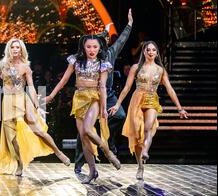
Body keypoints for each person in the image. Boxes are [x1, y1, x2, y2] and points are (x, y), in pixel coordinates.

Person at [0, 38, 70, 177]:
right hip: (7, 101)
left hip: (22, 99)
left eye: (17, 47)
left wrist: (38, 105)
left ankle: (58, 152)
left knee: (37, 129)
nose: (15, 49)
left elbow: (31, 87)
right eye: (12, 47)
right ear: (9, 49)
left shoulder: (25, 67)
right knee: (12, 138)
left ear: (21, 50)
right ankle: (20, 163)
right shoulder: (3, 65)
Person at [45, 35, 121, 184]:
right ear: (83, 47)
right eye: (88, 47)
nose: (92, 50)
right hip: (79, 98)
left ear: (99, 48)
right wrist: (51, 96)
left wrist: (104, 108)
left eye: (95, 47)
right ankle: (92, 171)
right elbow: (64, 80)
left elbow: (103, 87)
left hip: (94, 97)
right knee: (84, 137)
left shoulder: (103, 64)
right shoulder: (76, 61)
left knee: (87, 129)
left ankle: (107, 152)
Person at [108, 41, 188, 180]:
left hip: (151, 100)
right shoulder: (136, 68)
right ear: (144, 52)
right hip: (137, 100)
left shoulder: (160, 70)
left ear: (157, 53)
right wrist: (117, 104)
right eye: (148, 50)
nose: (150, 52)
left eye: (153, 50)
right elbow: (126, 88)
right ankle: (140, 166)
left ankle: (145, 150)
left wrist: (179, 108)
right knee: (138, 135)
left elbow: (170, 89)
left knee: (148, 127)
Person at [74, 9, 133, 174]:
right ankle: (79, 162)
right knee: (84, 130)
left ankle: (111, 141)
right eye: (101, 39)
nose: (102, 42)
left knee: (120, 115)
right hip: (91, 96)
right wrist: (105, 30)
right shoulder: (89, 56)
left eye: (104, 39)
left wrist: (129, 25)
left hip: (108, 95)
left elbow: (121, 40)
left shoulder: (110, 53)